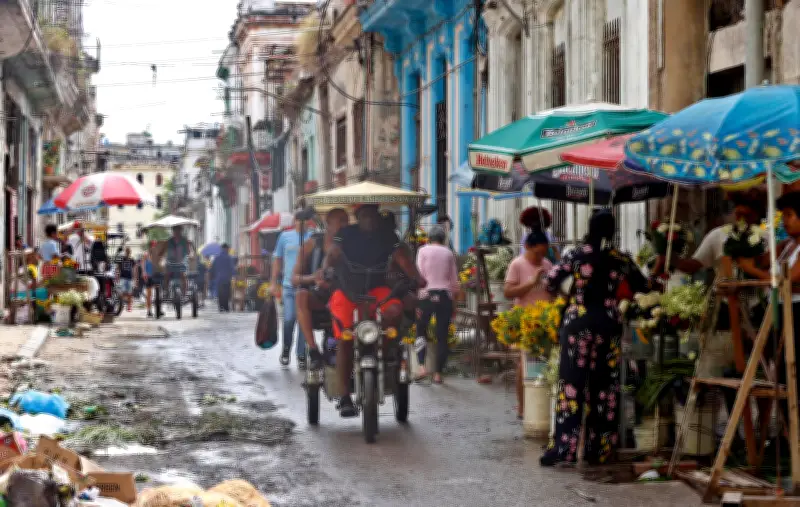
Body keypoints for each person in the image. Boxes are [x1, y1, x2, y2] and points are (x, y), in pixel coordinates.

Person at [540, 209, 649, 467]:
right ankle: (598, 450)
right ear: (612, 230)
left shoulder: (577, 255)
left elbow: (550, 281)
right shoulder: (621, 259)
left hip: (579, 323)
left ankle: (565, 449)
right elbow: (643, 286)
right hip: (609, 324)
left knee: (572, 386)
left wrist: (569, 295)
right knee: (604, 389)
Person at [324, 203, 426, 417]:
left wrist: (416, 277)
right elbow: (333, 252)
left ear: (378, 217)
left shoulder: (388, 235)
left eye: (373, 216)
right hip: (348, 290)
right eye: (364, 216)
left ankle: (385, 347)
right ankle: (344, 396)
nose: (369, 220)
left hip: (378, 290)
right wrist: (326, 269)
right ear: (358, 218)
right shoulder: (345, 233)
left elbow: (402, 257)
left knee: (395, 310)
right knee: (345, 336)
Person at [736, 190, 800, 422]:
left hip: (796, 311)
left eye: (790, 215)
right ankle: (787, 430)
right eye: (784, 215)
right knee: (780, 372)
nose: (785, 220)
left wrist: (752, 271)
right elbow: (762, 259)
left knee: (793, 371)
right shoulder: (787, 245)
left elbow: (788, 279)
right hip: (780, 311)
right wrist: (743, 241)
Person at [505, 231, 554, 418]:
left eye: (544, 253)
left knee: (546, 363)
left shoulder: (548, 265)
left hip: (546, 320)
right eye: (538, 253)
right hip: (525, 321)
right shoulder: (517, 264)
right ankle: (522, 406)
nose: (541, 258)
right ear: (527, 247)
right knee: (524, 364)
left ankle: (541, 405)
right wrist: (531, 283)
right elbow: (508, 292)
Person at [292, 208, 350, 366]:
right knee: (301, 296)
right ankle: (313, 349)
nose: (345, 225)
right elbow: (294, 278)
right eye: (341, 221)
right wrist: (314, 278)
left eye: (347, 221)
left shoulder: (354, 242)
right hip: (322, 295)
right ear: (328, 224)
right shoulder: (312, 244)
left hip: (348, 294)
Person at [414, 225, 460, 384]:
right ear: (443, 238)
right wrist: (454, 300)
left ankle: (421, 367)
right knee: (442, 335)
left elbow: (418, 274)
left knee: (420, 330)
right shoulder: (449, 253)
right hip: (444, 296)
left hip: (426, 295)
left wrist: (416, 298)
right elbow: (454, 280)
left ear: (429, 238)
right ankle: (438, 374)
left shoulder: (422, 251)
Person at [271, 212, 314, 369]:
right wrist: (273, 282)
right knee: (289, 319)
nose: (302, 223)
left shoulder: (313, 238)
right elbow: (277, 259)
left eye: (305, 220)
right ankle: (286, 348)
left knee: (304, 321)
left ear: (309, 222)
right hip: (289, 286)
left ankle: (301, 353)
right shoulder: (285, 237)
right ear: (294, 221)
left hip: (305, 286)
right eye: (299, 220)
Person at [160, 226, 195, 296]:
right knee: (167, 275)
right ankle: (166, 291)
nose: (176, 232)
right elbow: (162, 251)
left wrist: (191, 254)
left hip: (182, 263)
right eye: (175, 231)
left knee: (183, 275)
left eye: (178, 230)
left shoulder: (185, 240)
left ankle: (184, 292)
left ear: (181, 231)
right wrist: (161, 255)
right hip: (170, 263)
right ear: (173, 231)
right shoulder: (168, 241)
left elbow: (190, 251)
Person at [213, 244, 235, 312]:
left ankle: (221, 307)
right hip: (227, 279)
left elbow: (213, 268)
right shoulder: (229, 257)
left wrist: (213, 276)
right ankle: (226, 307)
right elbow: (232, 268)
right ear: (226, 249)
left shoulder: (216, 258)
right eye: (228, 249)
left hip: (219, 279)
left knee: (220, 293)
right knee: (226, 293)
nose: (228, 250)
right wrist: (234, 275)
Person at [116, 247, 135, 312]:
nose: (128, 252)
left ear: (130, 252)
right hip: (122, 278)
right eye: (127, 251)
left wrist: (135, 278)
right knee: (122, 292)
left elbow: (134, 270)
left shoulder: (132, 260)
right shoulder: (122, 259)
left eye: (129, 251)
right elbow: (118, 268)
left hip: (130, 278)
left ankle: (129, 306)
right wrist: (117, 277)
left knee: (130, 293)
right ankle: (122, 304)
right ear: (125, 252)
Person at [140, 251, 155, 317]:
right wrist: (144, 276)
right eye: (145, 255)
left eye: (147, 255)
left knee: (150, 295)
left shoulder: (151, 261)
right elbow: (143, 270)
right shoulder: (144, 262)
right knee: (149, 295)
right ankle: (149, 311)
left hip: (152, 278)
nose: (146, 256)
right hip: (148, 278)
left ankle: (150, 310)